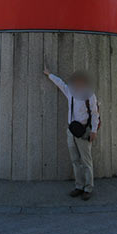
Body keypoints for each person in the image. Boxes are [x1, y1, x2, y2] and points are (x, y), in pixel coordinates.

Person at [44, 66, 100, 200]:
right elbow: (61, 84)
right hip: (71, 130)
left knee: (86, 160)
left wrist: (94, 130)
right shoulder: (71, 92)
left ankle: (88, 188)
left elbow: (95, 113)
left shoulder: (89, 95)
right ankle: (79, 186)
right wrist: (49, 75)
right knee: (75, 160)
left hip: (83, 131)